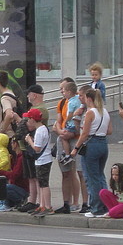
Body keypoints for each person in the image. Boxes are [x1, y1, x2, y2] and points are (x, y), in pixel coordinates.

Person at [70, 87, 111, 217]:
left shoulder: (90, 113)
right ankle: (105, 204)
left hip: (91, 144)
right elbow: (109, 131)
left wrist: (75, 148)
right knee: (100, 176)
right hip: (103, 143)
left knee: (91, 178)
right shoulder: (104, 111)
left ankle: (96, 208)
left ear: (89, 98)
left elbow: (85, 134)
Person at [51, 78, 82, 214]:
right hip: (64, 134)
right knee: (66, 172)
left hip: (74, 138)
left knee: (76, 171)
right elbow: (58, 121)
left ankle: (76, 201)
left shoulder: (76, 101)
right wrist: (60, 131)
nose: (61, 91)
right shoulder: (62, 102)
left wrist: (68, 131)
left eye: (63, 89)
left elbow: (76, 118)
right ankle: (66, 203)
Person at [23, 107, 54, 216]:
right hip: (42, 160)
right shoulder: (43, 128)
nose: (27, 121)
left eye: (28, 118)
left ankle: (48, 206)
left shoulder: (40, 131)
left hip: (43, 160)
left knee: (44, 184)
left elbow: (37, 148)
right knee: (41, 183)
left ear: (32, 119)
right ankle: (42, 205)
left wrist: (29, 140)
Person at [0, 71, 20, 137]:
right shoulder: (10, 93)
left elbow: (9, 114)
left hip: (7, 135)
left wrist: (1, 130)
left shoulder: (5, 98)